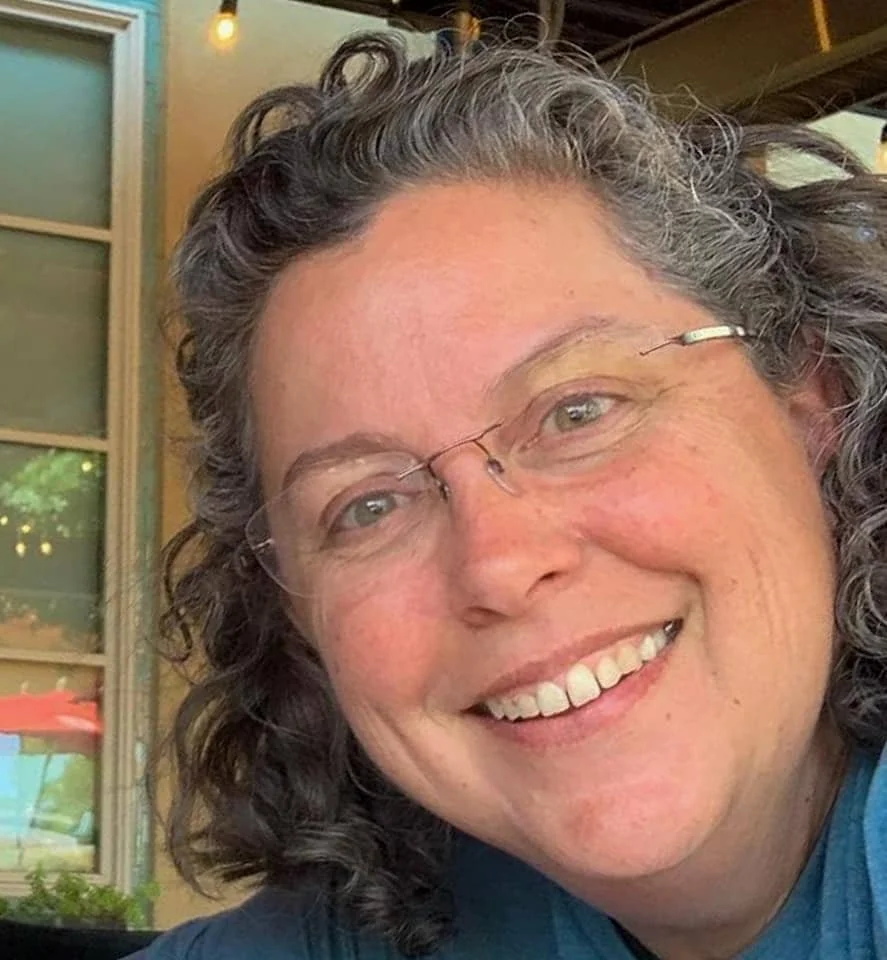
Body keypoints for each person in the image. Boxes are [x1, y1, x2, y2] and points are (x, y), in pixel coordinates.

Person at [130, 30, 887, 960]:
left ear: (813, 403)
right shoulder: (370, 931)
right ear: (296, 617)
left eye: (577, 411)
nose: (496, 562)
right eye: (367, 505)